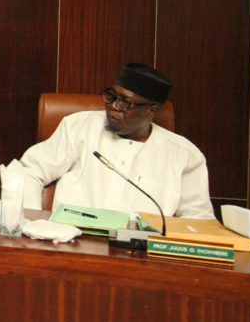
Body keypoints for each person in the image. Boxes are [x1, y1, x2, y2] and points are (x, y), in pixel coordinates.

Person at [18, 63, 214, 218]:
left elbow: (198, 218)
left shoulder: (184, 154)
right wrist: (32, 222)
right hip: (72, 244)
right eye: (111, 97)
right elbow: (30, 171)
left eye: (125, 103)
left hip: (143, 258)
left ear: (151, 110)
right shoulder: (79, 126)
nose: (113, 107)